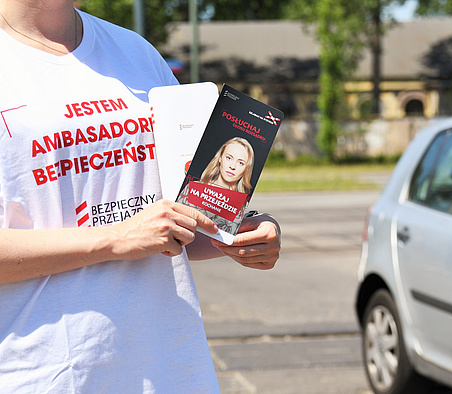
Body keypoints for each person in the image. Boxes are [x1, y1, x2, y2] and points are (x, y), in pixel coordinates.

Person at [0, 1, 280, 392]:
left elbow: (178, 218)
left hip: (168, 366)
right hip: (44, 373)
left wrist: (237, 234)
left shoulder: (135, 52)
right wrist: (117, 238)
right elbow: (134, 234)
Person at [178, 137, 256, 233]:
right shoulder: (191, 189)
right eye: (229, 158)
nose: (232, 166)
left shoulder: (241, 205)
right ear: (220, 158)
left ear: (246, 169)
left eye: (240, 163)